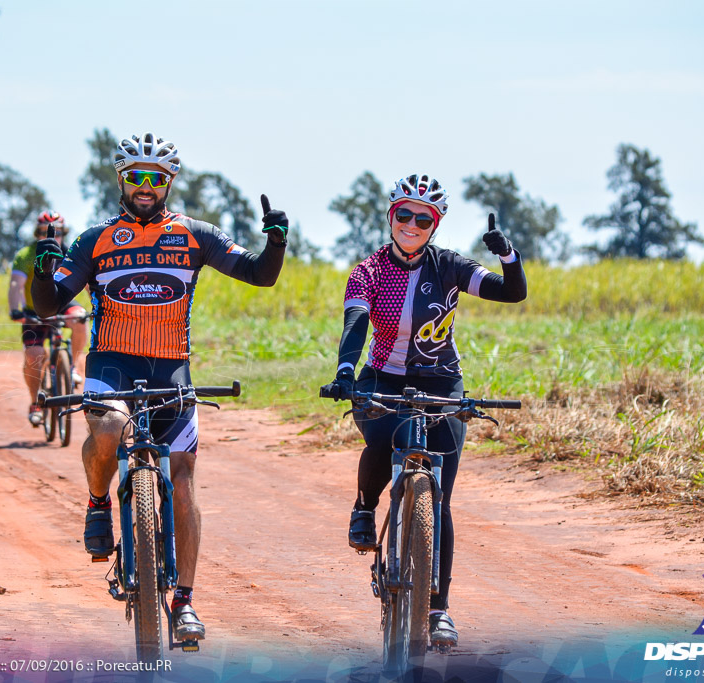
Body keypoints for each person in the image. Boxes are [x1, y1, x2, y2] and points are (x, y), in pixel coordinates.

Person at [30, 132, 289, 644]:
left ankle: (186, 601)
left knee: (185, 474)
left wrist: (276, 241)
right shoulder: (94, 239)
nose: (145, 186)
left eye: (156, 178)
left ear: (169, 182)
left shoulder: (195, 234)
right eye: (135, 177)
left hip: (172, 368)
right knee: (108, 428)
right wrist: (43, 275)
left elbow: (260, 276)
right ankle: (99, 503)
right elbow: (47, 303)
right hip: (112, 365)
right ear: (122, 181)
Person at [322, 173, 526, 649]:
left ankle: (438, 611)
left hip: (440, 381)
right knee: (383, 436)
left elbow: (510, 293)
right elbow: (356, 324)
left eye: (423, 217)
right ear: (391, 216)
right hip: (382, 377)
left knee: (441, 500)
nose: (412, 224)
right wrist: (346, 371)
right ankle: (365, 506)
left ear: (435, 224)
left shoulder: (449, 266)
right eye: (404, 215)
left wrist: (508, 255)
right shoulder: (368, 271)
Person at [8, 211, 87, 427]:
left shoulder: (72, 253)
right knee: (35, 355)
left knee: (81, 319)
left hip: (63, 303)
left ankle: (73, 367)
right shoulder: (26, 255)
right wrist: (16, 309)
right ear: (37, 234)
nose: (52, 236)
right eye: (44, 232)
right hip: (34, 309)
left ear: (63, 233)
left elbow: (88, 281)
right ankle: (35, 402)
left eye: (57, 232)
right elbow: (16, 284)